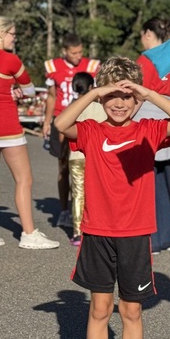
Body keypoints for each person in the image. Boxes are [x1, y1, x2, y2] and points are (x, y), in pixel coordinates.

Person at [54, 56, 170, 339]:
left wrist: (146, 91)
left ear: (137, 101)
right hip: (98, 233)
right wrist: (97, 91)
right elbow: (61, 122)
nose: (119, 103)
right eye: (112, 96)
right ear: (102, 98)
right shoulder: (92, 131)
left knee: (131, 310)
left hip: (135, 235)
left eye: (127, 97)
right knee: (99, 309)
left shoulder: (148, 130)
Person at [0, 16, 57, 250]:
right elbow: (28, 90)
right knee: (24, 179)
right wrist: (15, 93)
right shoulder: (9, 59)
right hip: (5, 124)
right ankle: (29, 233)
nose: (14, 39)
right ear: (0, 34)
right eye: (12, 34)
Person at [137, 17, 170, 253]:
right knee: (164, 179)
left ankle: (151, 237)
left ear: (148, 33)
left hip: (146, 116)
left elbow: (138, 93)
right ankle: (166, 236)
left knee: (145, 180)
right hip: (169, 116)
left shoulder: (146, 59)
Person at [42, 33, 100, 229]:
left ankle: (87, 209)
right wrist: (46, 121)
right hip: (61, 120)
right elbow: (51, 96)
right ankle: (65, 210)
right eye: (73, 52)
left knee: (88, 167)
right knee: (63, 167)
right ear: (64, 51)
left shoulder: (92, 66)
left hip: (85, 120)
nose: (78, 56)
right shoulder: (53, 67)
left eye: (80, 52)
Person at [66, 71, 106, 247]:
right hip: (95, 156)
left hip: (75, 155)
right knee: (96, 193)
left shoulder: (72, 107)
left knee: (78, 194)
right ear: (91, 87)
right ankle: (95, 227)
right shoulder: (100, 108)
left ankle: (77, 232)